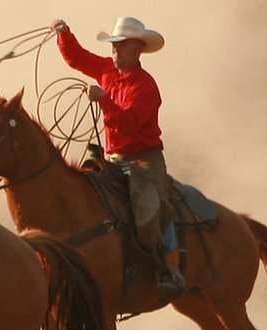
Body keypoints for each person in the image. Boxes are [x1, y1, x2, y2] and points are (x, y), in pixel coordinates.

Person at [50, 16, 185, 298]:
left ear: (137, 49)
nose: (115, 51)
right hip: (113, 157)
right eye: (114, 46)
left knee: (147, 206)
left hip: (144, 159)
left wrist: (103, 100)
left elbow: (128, 123)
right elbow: (77, 58)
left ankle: (167, 267)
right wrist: (64, 34)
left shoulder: (146, 86)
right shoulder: (106, 70)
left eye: (121, 46)